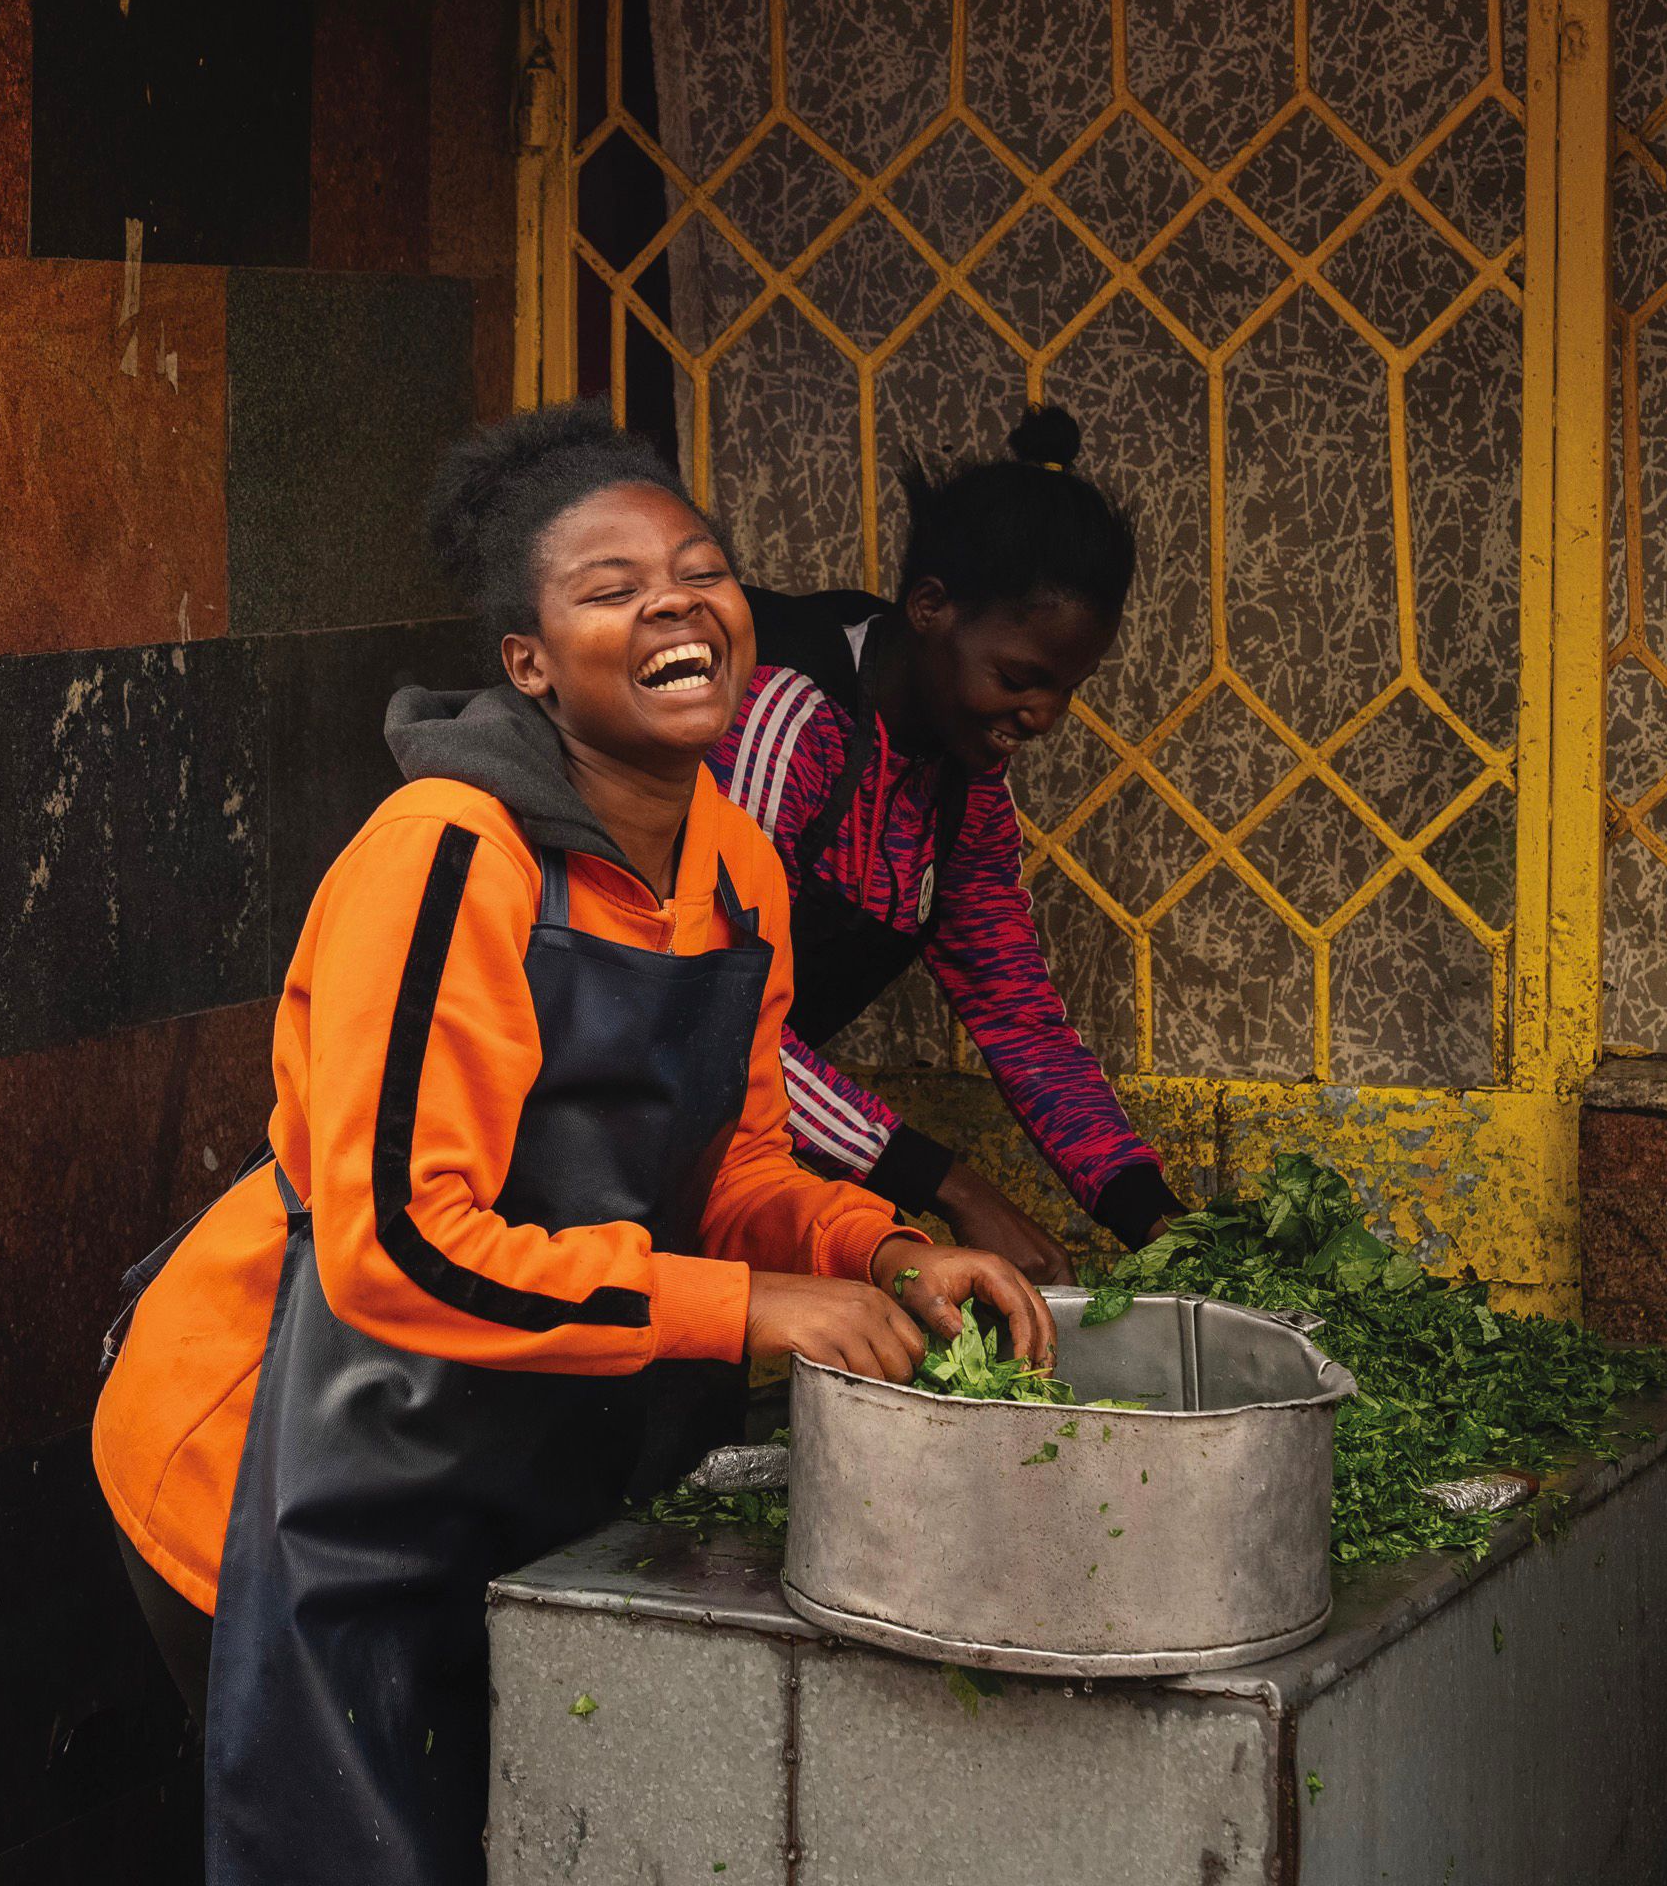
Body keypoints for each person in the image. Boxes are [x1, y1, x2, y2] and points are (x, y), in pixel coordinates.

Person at [90, 403, 1052, 1886]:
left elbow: (728, 1172)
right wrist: (750, 1311)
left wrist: (886, 1250)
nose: (673, 600)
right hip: (285, 1473)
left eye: (700, 569)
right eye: (609, 589)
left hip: (511, 1460)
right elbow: (398, 1247)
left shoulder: (734, 861)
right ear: (531, 666)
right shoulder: (443, 861)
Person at [709, 404, 1185, 1286]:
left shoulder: (965, 790)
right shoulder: (785, 720)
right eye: (1017, 679)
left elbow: (1017, 1015)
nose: (1042, 718)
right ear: (929, 606)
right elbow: (718, 1017)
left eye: (1066, 692)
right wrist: (955, 1188)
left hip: (728, 1140)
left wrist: (1157, 1221)